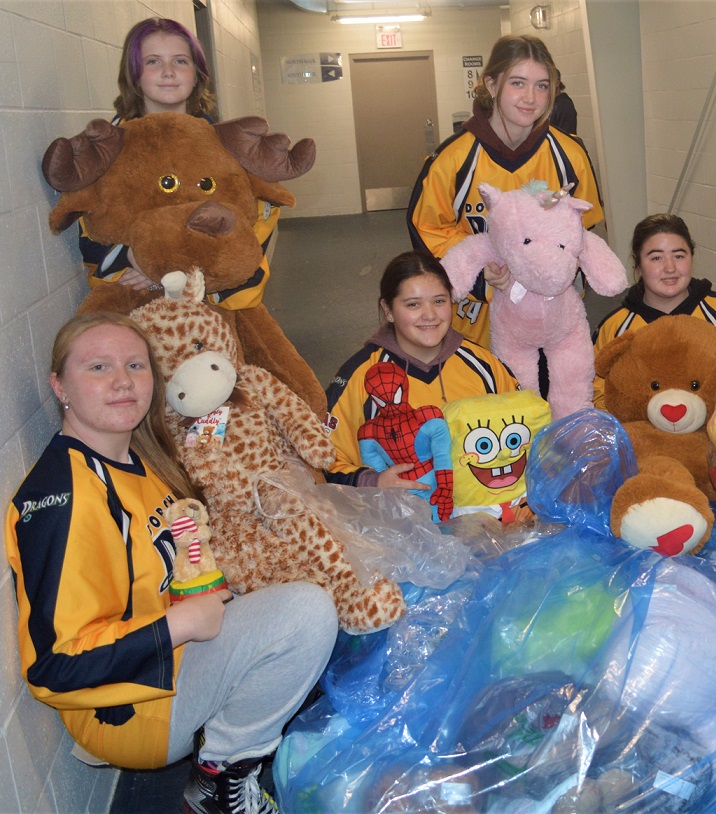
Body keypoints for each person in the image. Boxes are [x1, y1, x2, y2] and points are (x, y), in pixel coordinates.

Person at [5, 312, 337, 814]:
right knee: (306, 614)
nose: (121, 381)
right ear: (60, 385)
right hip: (127, 707)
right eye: (98, 367)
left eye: (135, 365)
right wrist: (177, 624)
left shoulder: (139, 457)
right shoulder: (65, 497)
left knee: (307, 593)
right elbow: (55, 668)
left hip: (171, 655)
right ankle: (220, 781)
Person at [407, 34, 605, 350]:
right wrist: (480, 266)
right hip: (474, 327)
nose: (531, 97)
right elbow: (428, 231)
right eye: (517, 83)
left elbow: (583, 231)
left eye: (542, 85)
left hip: (550, 322)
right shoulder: (453, 159)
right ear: (492, 84)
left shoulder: (571, 155)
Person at [80, 17, 278, 310]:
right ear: (133, 75)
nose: (168, 72)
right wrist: (133, 258)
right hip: (137, 308)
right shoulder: (107, 149)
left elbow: (256, 224)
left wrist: (177, 274)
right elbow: (90, 229)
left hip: (209, 306)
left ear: (197, 74)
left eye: (181, 61)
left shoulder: (226, 146)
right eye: (153, 62)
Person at [326, 251, 519, 487]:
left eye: (439, 301)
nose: (429, 315)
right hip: (399, 519)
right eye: (413, 304)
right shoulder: (362, 375)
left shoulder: (483, 365)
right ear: (388, 310)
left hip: (484, 513)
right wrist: (374, 481)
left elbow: (527, 433)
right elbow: (322, 461)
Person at [592, 213, 716, 407]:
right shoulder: (616, 327)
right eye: (656, 258)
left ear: (691, 258)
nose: (670, 268)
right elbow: (597, 392)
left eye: (679, 256)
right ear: (638, 264)